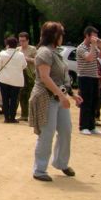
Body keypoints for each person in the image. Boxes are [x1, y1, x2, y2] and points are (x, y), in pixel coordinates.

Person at [29, 21, 82, 181]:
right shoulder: (44, 52)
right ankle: (39, 170)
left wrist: (71, 94)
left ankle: (61, 162)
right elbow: (45, 78)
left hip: (58, 97)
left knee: (65, 130)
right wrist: (60, 95)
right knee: (47, 133)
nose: (63, 36)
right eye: (61, 33)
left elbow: (62, 78)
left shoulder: (55, 52)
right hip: (46, 97)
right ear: (54, 35)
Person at [76, 26, 101, 135]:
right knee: (86, 102)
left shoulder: (93, 46)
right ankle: (83, 126)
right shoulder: (81, 48)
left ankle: (91, 125)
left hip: (94, 77)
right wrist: (94, 46)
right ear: (87, 36)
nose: (95, 38)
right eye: (93, 36)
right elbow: (89, 58)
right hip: (84, 77)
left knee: (94, 102)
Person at [0, 37, 27, 123]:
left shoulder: (2, 54)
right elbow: (24, 65)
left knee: (5, 99)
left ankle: (6, 118)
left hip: (4, 79)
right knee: (14, 99)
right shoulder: (21, 55)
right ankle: (12, 118)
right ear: (16, 45)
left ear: (7, 45)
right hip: (16, 81)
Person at [17, 32, 37, 122]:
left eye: (24, 41)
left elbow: (37, 61)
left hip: (31, 75)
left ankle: (31, 115)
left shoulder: (33, 49)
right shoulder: (17, 49)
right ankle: (24, 114)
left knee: (30, 96)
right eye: (20, 41)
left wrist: (27, 58)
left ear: (28, 40)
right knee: (21, 95)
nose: (22, 43)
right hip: (21, 75)